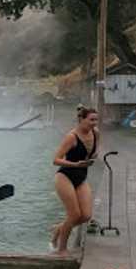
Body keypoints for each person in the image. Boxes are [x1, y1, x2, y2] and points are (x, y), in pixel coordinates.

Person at [49, 105, 99, 255]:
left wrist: (93, 156)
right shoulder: (71, 137)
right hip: (65, 176)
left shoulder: (96, 133)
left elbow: (95, 150)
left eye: (96, 120)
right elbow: (56, 160)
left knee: (86, 215)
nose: (94, 123)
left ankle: (58, 229)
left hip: (81, 176)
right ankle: (61, 249)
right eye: (91, 120)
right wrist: (76, 164)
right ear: (81, 119)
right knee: (74, 215)